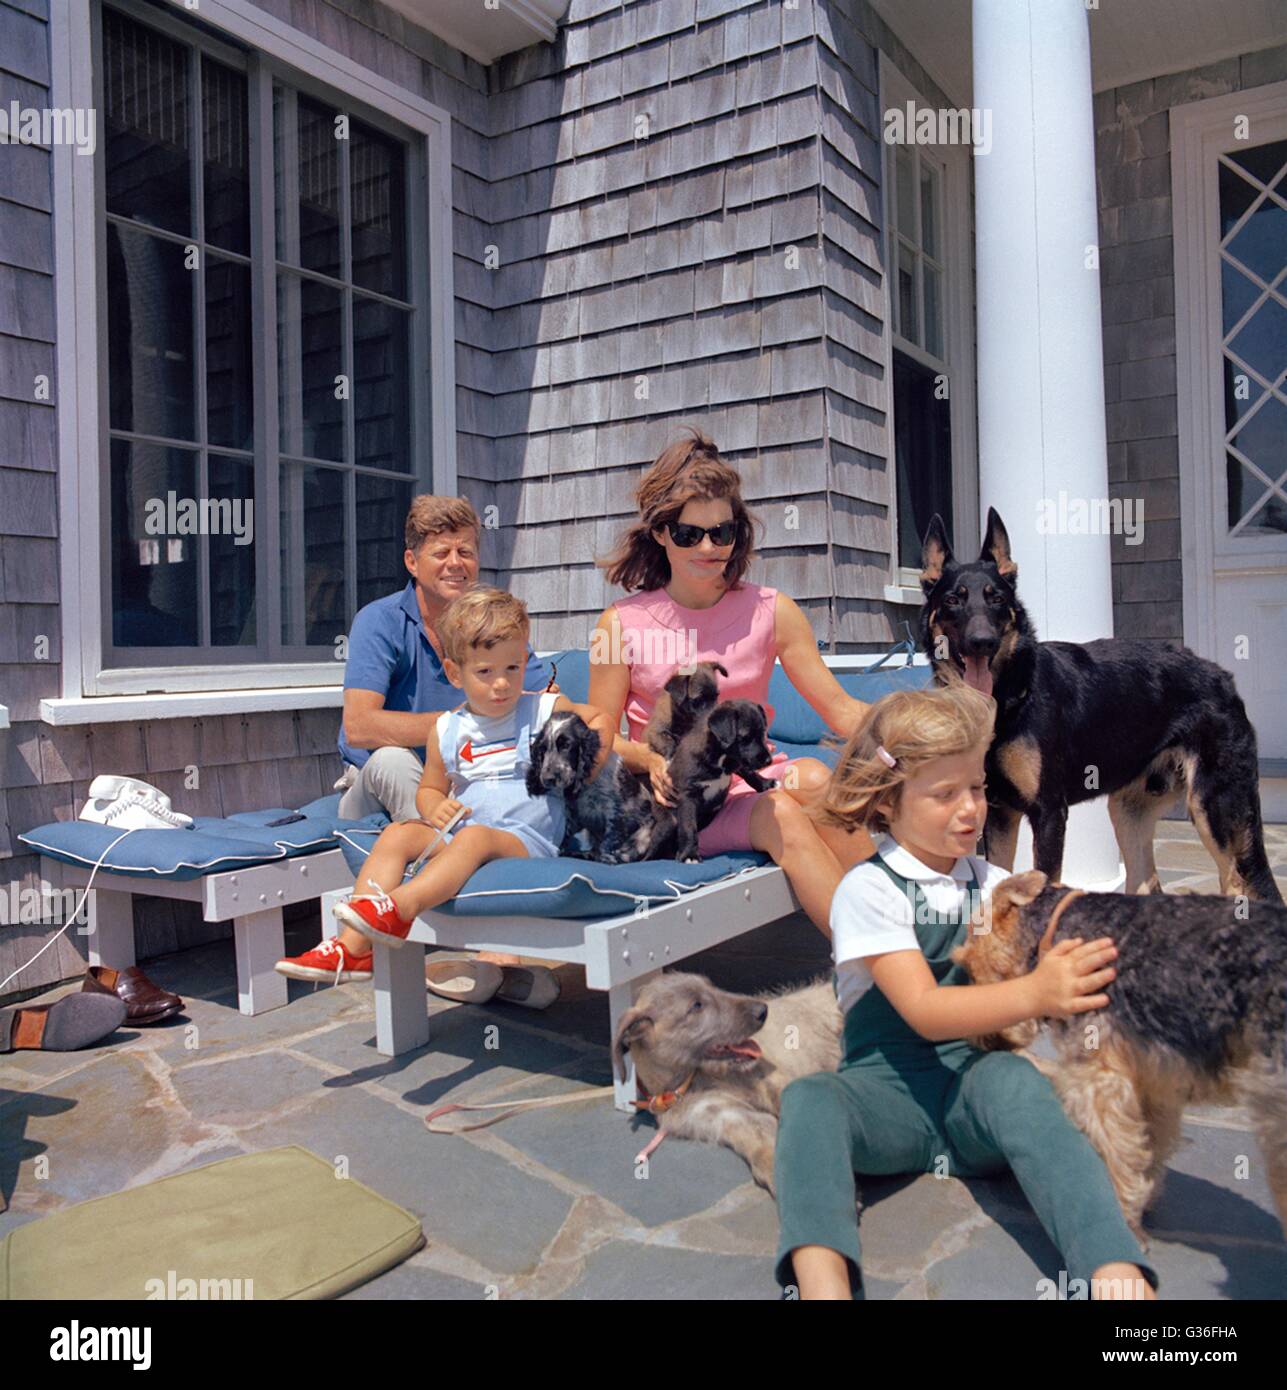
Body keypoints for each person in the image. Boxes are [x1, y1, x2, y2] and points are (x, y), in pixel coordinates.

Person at [773, 682, 1158, 1300]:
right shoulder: (868, 891)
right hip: (884, 1098)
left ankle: (1111, 1263)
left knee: (1021, 1084)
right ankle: (824, 1286)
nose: (971, 809)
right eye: (945, 794)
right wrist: (1039, 993)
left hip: (973, 1095)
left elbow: (1063, 925)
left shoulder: (995, 882)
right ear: (887, 801)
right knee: (811, 1102)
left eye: (977, 788)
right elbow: (924, 1011)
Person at [587, 428, 876, 938]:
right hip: (678, 803)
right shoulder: (618, 625)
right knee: (783, 813)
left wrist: (921, 742)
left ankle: (911, 935)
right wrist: (651, 761)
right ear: (660, 533)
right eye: (689, 534)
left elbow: (840, 709)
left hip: (753, 782)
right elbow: (600, 736)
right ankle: (880, 967)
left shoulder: (774, 611)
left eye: (722, 533)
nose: (708, 547)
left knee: (810, 777)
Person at [277, 496, 551, 987]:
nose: (455, 564)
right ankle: (461, 932)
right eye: (441, 552)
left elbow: (541, 697)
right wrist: (461, 722)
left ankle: (386, 932)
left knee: (476, 810)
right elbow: (360, 726)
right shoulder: (380, 621)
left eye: (465, 552)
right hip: (377, 779)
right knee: (395, 762)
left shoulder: (490, 627)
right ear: (412, 561)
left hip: (463, 784)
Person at [313, 586, 616, 1008]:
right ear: (456, 674)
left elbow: (600, 720)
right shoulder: (447, 730)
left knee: (475, 840)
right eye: (485, 672)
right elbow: (431, 788)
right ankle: (353, 945)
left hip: (527, 838)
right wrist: (434, 808)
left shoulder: (542, 711)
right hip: (468, 831)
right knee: (400, 834)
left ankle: (397, 910)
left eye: (512, 667)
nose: (502, 683)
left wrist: (583, 771)